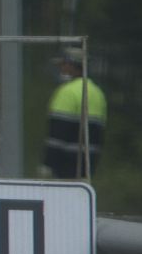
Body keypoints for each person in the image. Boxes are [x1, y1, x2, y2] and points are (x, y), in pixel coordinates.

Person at [42, 47, 106, 178]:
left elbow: (58, 133)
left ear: (72, 66)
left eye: (63, 65)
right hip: (89, 165)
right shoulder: (97, 93)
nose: (61, 69)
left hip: (65, 165)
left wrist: (48, 164)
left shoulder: (67, 91)